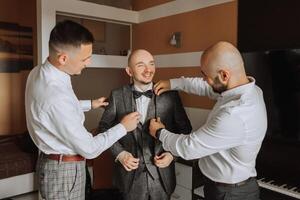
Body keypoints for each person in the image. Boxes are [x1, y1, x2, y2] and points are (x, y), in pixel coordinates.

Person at [25, 20, 140, 200]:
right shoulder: (55, 96)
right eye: (85, 58)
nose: (88, 62)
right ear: (63, 58)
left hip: (55, 165)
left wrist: (89, 104)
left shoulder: (39, 72)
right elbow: (90, 149)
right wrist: (123, 127)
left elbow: (51, 112)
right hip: (64, 173)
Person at [149, 41, 267, 200]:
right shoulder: (248, 89)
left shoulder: (235, 115)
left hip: (230, 194)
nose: (204, 80)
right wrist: (173, 83)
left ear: (224, 75)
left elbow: (188, 148)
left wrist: (159, 132)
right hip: (224, 186)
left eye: (206, 76)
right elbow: (205, 87)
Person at [97, 49, 192, 200]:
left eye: (151, 64)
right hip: (128, 180)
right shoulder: (117, 95)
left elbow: (186, 130)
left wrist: (172, 155)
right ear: (129, 71)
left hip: (163, 179)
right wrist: (120, 154)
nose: (148, 70)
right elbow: (103, 129)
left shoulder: (171, 96)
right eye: (141, 65)